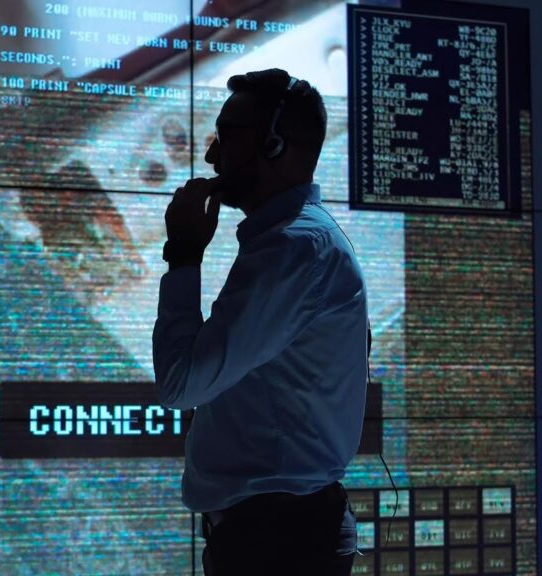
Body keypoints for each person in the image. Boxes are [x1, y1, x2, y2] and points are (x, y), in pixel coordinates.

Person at [152, 68, 369, 575]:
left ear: (275, 145)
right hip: (277, 536)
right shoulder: (298, 242)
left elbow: (181, 383)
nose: (211, 156)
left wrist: (183, 255)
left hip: (278, 544)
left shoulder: (293, 249)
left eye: (227, 137)